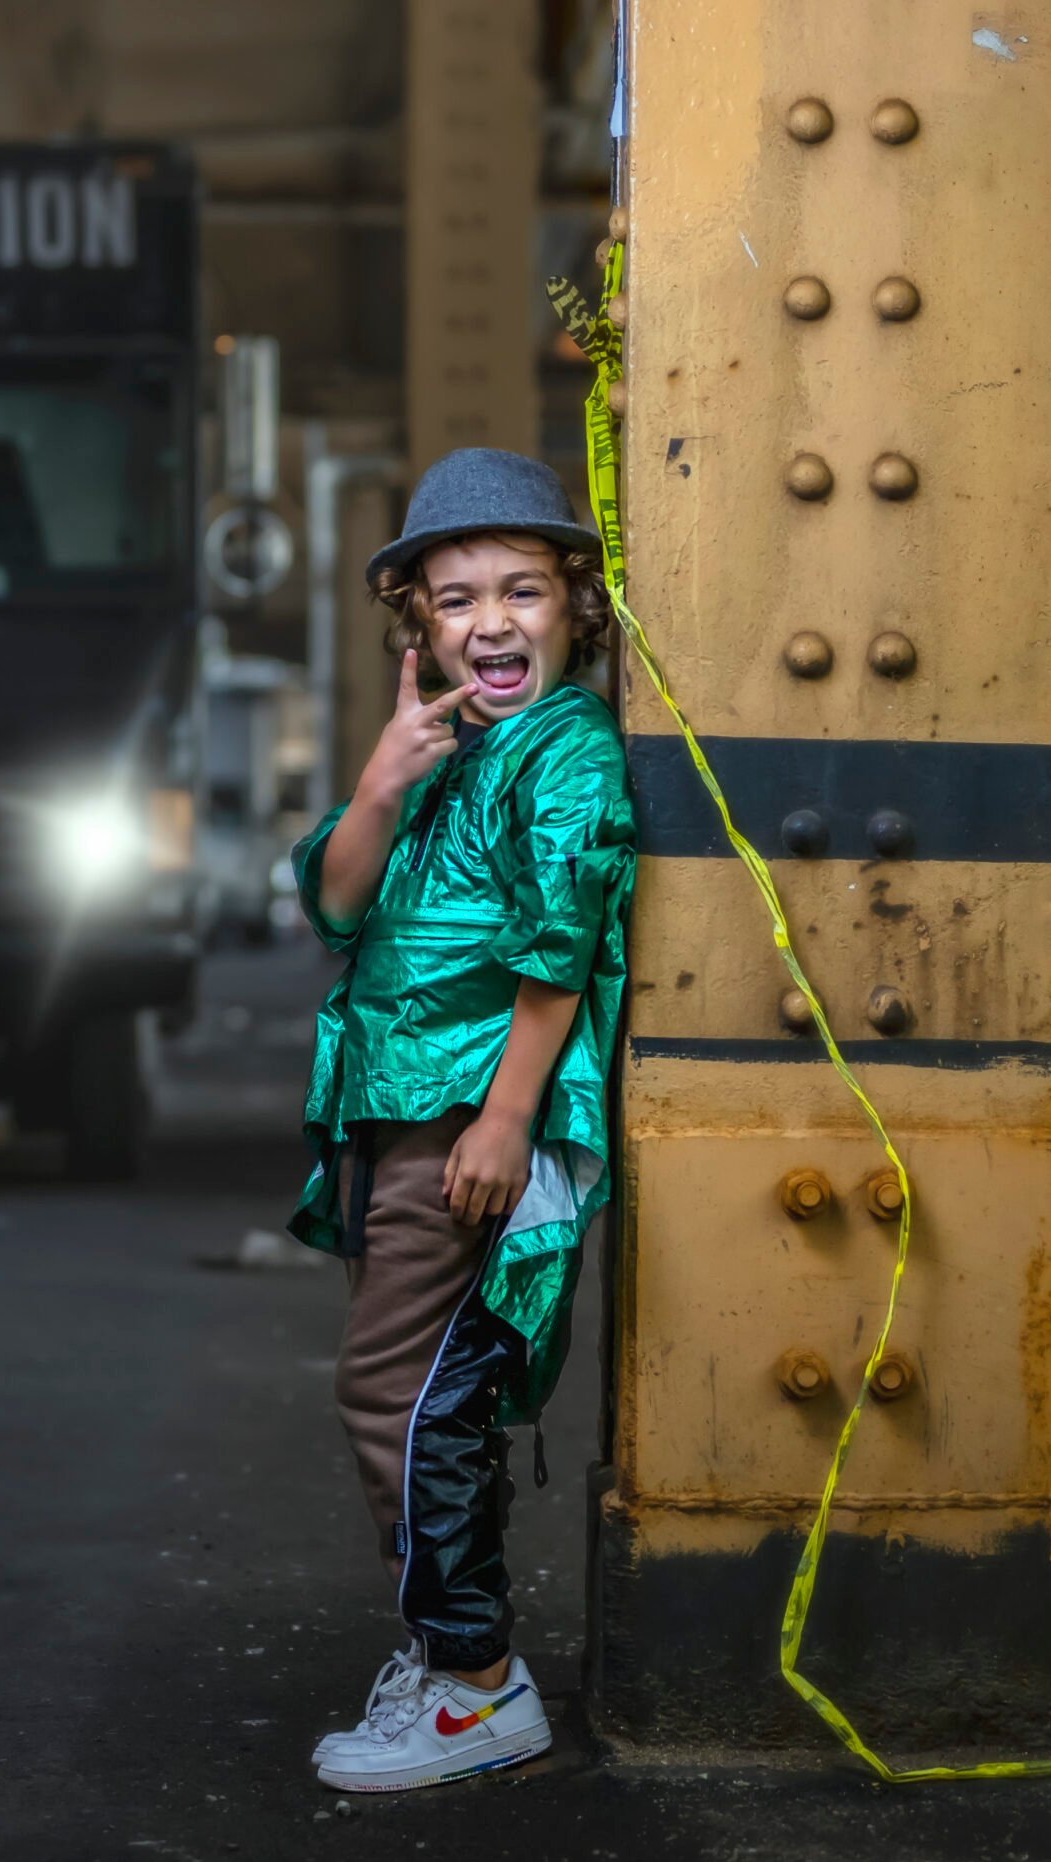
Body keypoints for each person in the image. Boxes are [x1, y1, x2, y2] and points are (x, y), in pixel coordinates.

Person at [287, 447, 636, 1793]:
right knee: (419, 1394)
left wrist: (506, 1119)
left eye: (522, 591)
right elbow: (332, 900)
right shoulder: (447, 748)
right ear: (420, 628)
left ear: (574, 611)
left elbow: (565, 932)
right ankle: (451, 1660)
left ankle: (476, 1681)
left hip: (461, 1119)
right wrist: (381, 777)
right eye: (455, 599)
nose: (490, 621)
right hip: (399, 1109)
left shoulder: (565, 748)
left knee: (398, 1394)